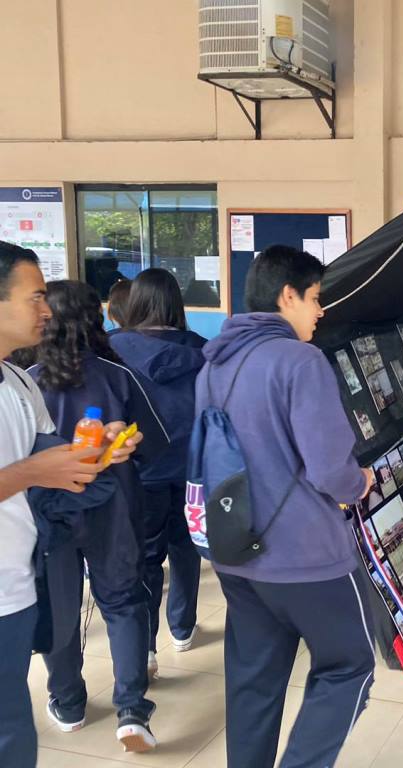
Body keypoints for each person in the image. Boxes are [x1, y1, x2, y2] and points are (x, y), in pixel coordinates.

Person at [195, 245, 375, 768]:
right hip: (305, 556)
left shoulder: (213, 363)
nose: (320, 312)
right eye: (315, 298)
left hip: (235, 547)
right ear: (287, 295)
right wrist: (357, 481)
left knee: (254, 678)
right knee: (348, 666)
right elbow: (329, 471)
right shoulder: (300, 360)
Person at [0, 242, 141, 767]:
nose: (45, 310)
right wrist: (36, 471)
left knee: (14, 731)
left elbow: (55, 457)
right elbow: (37, 468)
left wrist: (101, 449)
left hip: (16, 584)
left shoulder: (18, 382)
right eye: (35, 297)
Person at [26, 280, 168, 752]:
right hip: (113, 507)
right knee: (123, 601)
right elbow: (153, 442)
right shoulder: (116, 373)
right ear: (95, 318)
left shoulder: (26, 379)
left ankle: (68, 703)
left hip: (47, 512)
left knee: (59, 608)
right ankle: (130, 709)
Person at [109, 268, 207, 676]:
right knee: (187, 550)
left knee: (145, 559)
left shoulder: (113, 350)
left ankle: (146, 649)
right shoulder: (204, 350)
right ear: (175, 302)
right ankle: (182, 628)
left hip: (138, 474)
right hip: (192, 471)